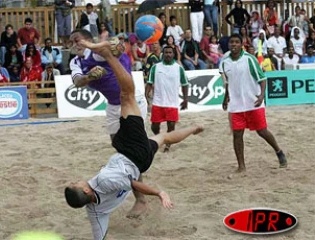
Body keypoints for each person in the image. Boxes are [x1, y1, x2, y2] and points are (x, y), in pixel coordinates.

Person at [64, 39, 204, 240]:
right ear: (85, 189)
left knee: (162, 137)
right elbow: (134, 185)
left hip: (141, 162)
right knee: (127, 96)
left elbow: (99, 236)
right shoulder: (104, 181)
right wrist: (158, 193)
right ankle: (109, 56)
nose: (75, 180)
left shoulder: (94, 212)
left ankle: (193, 128)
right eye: (75, 183)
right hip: (132, 152)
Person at [69, 30, 149, 218]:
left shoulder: (96, 52)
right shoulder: (76, 62)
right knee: (118, 147)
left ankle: (141, 199)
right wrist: (89, 77)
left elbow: (114, 47)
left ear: (88, 40)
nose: (74, 44)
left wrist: (90, 45)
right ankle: (135, 183)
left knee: (128, 152)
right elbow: (78, 82)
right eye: (71, 42)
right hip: (113, 105)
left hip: (131, 100)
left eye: (77, 40)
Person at [220, 34, 287, 172]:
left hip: (253, 102)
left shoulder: (250, 59)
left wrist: (262, 95)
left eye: (236, 42)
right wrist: (225, 97)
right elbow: (228, 83)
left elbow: (262, 79)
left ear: (241, 44)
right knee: (237, 135)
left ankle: (279, 151)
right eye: (231, 42)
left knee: (261, 131)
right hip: (236, 105)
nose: (233, 44)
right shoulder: (224, 62)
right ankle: (241, 166)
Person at [146, 46, 189, 152]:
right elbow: (150, 83)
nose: (168, 54)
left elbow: (185, 84)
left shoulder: (179, 68)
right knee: (154, 126)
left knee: (171, 125)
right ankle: (160, 136)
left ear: (173, 54)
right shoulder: (155, 67)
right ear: (162, 54)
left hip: (172, 103)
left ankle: (167, 145)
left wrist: (185, 99)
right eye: (166, 52)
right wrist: (146, 94)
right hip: (158, 102)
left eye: (170, 52)